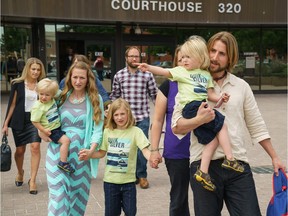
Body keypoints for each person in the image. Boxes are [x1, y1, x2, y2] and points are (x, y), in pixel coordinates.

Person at [173, 31, 286, 215]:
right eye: (212, 51)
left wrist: (274, 157)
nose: (215, 57)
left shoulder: (241, 87)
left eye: (222, 53)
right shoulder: (189, 83)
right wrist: (198, 120)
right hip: (204, 167)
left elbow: (256, 125)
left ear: (230, 58)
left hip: (237, 165)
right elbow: (177, 126)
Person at [137, 36, 244, 192]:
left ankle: (204, 170)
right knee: (222, 125)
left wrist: (221, 98)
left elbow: (211, 94)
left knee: (215, 136)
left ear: (200, 58)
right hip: (190, 112)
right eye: (182, 58)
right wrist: (149, 67)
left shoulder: (206, 75)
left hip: (201, 111)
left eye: (188, 57)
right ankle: (230, 158)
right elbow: (164, 71)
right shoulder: (180, 73)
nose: (184, 61)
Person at [42, 61, 104, 215]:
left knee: (77, 198)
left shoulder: (95, 100)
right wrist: (42, 131)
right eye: (75, 77)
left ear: (88, 79)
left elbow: (98, 129)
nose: (78, 81)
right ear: (69, 77)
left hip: (81, 157)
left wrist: (91, 150)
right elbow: (44, 115)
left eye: (82, 78)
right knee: (59, 196)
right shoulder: (60, 97)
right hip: (57, 154)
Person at [79, 98, 151, 216]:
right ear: (111, 116)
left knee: (131, 213)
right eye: (116, 115)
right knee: (111, 213)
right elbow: (102, 153)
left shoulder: (136, 131)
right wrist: (89, 154)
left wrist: (152, 158)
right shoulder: (108, 131)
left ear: (128, 113)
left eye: (122, 114)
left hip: (129, 183)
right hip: (110, 183)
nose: (119, 117)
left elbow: (145, 150)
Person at [110, 46, 158, 189]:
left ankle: (142, 176)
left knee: (141, 147)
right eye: (131, 56)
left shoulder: (147, 75)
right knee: (126, 148)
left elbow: (155, 95)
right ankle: (130, 175)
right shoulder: (119, 76)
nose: (134, 59)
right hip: (125, 119)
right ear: (126, 58)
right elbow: (115, 96)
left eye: (136, 56)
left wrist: (162, 114)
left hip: (142, 117)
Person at [2, 57, 46, 195]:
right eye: (33, 69)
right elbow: (12, 104)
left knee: (35, 147)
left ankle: (32, 180)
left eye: (38, 70)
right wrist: (5, 124)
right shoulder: (18, 83)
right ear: (28, 69)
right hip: (19, 120)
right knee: (20, 151)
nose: (36, 72)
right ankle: (20, 172)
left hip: (35, 120)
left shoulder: (42, 84)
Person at [30, 78, 75, 173]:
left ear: (52, 95)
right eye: (41, 94)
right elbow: (34, 121)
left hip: (56, 127)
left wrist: (49, 82)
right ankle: (63, 162)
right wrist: (43, 131)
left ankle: (51, 162)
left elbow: (60, 92)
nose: (43, 97)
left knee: (60, 145)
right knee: (66, 141)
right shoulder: (38, 107)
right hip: (51, 130)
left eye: (47, 95)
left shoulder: (52, 99)